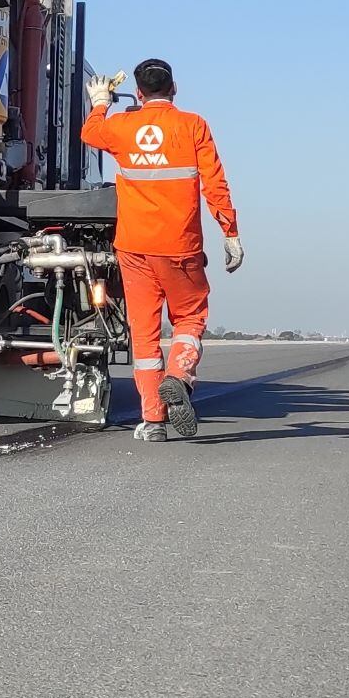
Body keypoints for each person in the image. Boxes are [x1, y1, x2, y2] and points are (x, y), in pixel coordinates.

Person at [79, 58, 242, 442]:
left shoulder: (121, 126)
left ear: (137, 92)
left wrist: (101, 100)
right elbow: (215, 183)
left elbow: (90, 133)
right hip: (179, 246)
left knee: (145, 334)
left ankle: (152, 421)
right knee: (189, 317)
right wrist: (229, 231)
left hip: (133, 248)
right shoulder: (192, 125)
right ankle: (179, 375)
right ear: (174, 89)